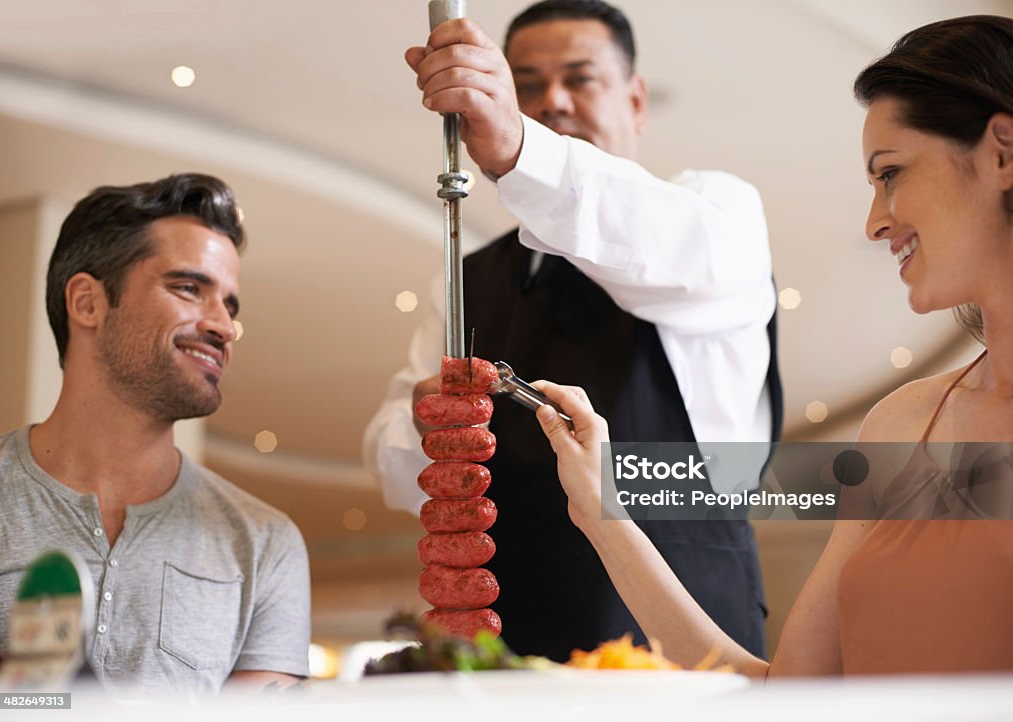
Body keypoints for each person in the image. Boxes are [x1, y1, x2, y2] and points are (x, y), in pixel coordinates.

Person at [533, 14, 1013, 675]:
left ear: (1002, 153)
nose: (875, 222)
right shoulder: (903, 422)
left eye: (891, 172)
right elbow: (789, 694)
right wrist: (603, 510)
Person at [364, 0, 782, 660]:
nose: (552, 100)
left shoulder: (714, 214)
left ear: (636, 101)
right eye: (526, 85)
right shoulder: (468, 280)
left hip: (691, 657)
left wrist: (518, 148)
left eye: (580, 78)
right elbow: (389, 459)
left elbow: (673, 245)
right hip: (509, 658)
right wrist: (423, 420)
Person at [0, 174, 311, 692]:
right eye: (189, 288)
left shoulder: (265, 543)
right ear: (88, 303)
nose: (224, 328)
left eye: (229, 306)